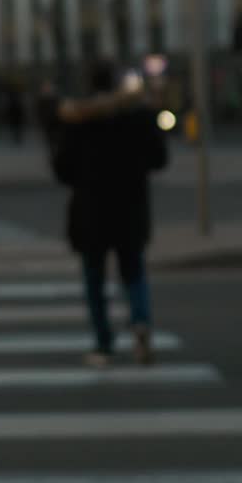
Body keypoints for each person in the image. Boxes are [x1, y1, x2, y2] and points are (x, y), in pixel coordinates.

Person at [54, 66, 169, 368]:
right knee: (133, 272)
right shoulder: (137, 116)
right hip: (130, 208)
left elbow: (62, 168)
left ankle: (103, 343)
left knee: (94, 280)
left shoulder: (79, 120)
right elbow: (159, 158)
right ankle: (141, 322)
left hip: (91, 210)